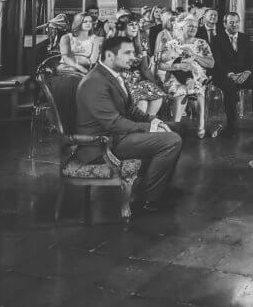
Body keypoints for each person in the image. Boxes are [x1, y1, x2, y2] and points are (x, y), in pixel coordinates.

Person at [75, 36, 182, 214]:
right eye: (127, 53)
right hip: (101, 145)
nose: (133, 57)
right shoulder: (94, 81)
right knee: (172, 140)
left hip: (119, 136)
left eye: (133, 52)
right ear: (109, 55)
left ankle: (158, 185)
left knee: (179, 128)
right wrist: (150, 129)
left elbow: (131, 110)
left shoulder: (114, 75)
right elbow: (113, 123)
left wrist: (153, 120)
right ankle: (149, 198)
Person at [158, 16, 215, 138]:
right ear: (182, 27)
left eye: (195, 26)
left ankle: (201, 126)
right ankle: (175, 128)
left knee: (198, 89)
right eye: (190, 26)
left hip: (198, 76)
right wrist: (178, 66)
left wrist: (194, 56)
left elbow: (211, 63)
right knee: (181, 90)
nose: (193, 29)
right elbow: (161, 65)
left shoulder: (202, 43)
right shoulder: (172, 43)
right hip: (175, 77)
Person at [212, 12, 253, 136]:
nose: (234, 25)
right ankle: (232, 123)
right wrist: (231, 75)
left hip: (243, 74)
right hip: (224, 75)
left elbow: (251, 61)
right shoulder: (217, 39)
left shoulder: (245, 38)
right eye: (231, 22)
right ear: (225, 24)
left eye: (236, 22)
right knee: (229, 87)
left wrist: (247, 73)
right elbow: (217, 63)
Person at [122, 17, 166, 117]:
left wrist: (155, 83)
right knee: (142, 102)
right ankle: (140, 127)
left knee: (158, 96)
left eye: (136, 24)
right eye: (130, 24)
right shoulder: (117, 43)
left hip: (138, 79)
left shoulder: (141, 43)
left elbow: (145, 68)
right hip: (123, 79)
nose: (134, 27)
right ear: (124, 27)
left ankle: (149, 126)